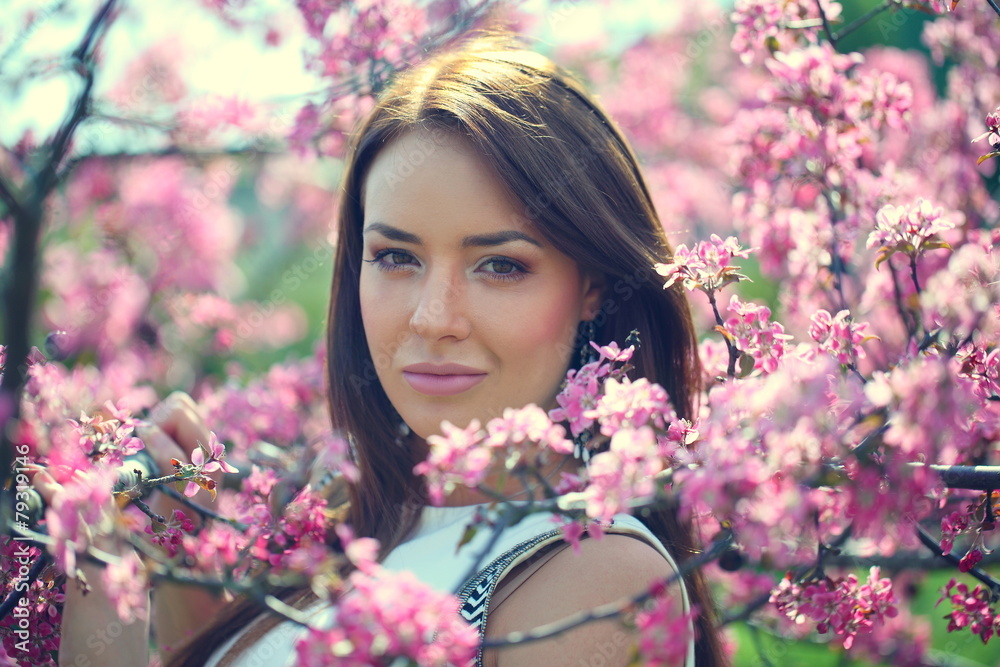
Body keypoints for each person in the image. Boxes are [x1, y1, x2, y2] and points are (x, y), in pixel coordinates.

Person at [36, 31, 726, 667]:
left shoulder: (598, 569)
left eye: (501, 265)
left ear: (592, 290)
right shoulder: (355, 535)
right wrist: (194, 598)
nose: (433, 318)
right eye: (396, 256)